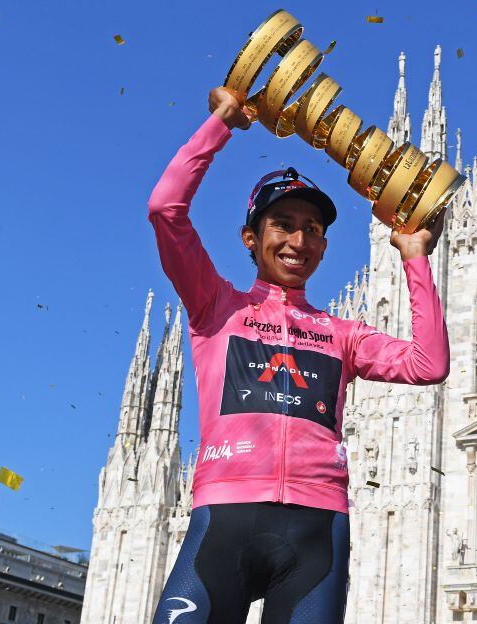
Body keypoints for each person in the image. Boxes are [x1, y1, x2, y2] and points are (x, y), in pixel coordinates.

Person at [148, 87, 450, 624]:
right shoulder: (216, 307)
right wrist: (221, 123)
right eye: (283, 224)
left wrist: (415, 257)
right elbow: (165, 210)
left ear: (324, 247)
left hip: (316, 529)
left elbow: (429, 364)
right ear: (250, 237)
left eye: (312, 229)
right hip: (226, 516)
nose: (298, 240)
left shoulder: (341, 334)